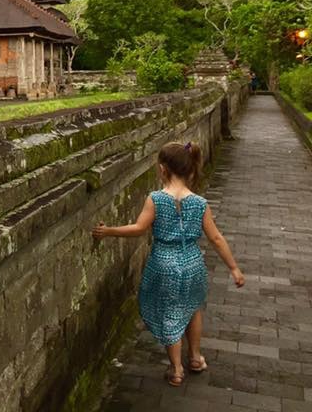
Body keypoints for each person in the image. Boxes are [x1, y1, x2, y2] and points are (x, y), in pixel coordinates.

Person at [91, 141, 245, 387]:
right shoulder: (200, 203)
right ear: (190, 168)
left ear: (163, 169)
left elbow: (139, 229)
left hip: (163, 263)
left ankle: (176, 369)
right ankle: (195, 358)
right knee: (193, 307)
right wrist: (234, 268)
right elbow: (216, 238)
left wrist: (109, 230)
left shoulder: (156, 199)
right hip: (193, 263)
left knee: (170, 312)